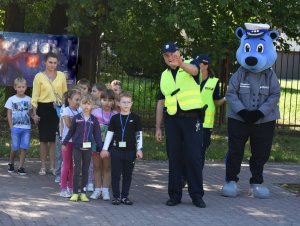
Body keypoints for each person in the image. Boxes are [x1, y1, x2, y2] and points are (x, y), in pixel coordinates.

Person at [155, 42, 206, 208]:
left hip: (191, 119)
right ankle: (174, 195)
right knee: (174, 158)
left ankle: (197, 195)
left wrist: (181, 64)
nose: (170, 57)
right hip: (172, 121)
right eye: (166, 55)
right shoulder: (164, 75)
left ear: (179, 52)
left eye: (172, 53)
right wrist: (158, 127)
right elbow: (160, 102)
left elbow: (196, 72)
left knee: (193, 157)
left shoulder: (191, 65)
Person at [101, 91, 143, 205]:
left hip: (130, 152)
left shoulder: (136, 118)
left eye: (128, 102)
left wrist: (139, 149)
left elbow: (138, 134)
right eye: (123, 102)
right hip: (116, 151)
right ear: (119, 103)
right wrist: (105, 149)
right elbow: (109, 134)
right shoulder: (115, 118)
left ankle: (124, 197)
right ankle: (116, 197)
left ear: (131, 103)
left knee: (127, 175)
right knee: (115, 174)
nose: (126, 104)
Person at [31, 52, 67, 176]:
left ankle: (53, 166)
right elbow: (35, 97)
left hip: (57, 109)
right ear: (45, 62)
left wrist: (64, 109)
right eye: (50, 62)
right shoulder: (39, 77)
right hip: (43, 108)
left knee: (54, 140)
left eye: (55, 63)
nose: (52, 65)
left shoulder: (61, 75)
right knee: (43, 139)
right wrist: (34, 114)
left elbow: (65, 94)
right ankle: (42, 167)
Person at [62, 94, 102, 202]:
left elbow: (97, 134)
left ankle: (83, 192)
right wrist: (65, 142)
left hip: (88, 149)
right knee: (76, 169)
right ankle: (75, 192)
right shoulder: (77, 118)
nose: (86, 106)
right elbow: (71, 132)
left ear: (92, 105)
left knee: (85, 170)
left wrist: (100, 146)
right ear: (80, 104)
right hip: (77, 147)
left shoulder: (94, 120)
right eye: (84, 103)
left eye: (88, 104)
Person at [195, 54, 226, 168]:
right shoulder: (192, 78)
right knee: (188, 150)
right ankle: (185, 177)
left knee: (201, 151)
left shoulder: (214, 82)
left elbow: (216, 102)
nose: (196, 65)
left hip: (206, 124)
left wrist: (226, 97)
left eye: (199, 63)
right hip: (191, 120)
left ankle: (195, 178)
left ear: (206, 65)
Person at [90, 89, 118, 200]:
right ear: (100, 100)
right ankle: (97, 190)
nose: (107, 102)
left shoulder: (115, 115)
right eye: (104, 100)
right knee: (97, 167)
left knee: (106, 168)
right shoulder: (94, 112)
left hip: (109, 145)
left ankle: (105, 190)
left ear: (113, 102)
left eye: (110, 100)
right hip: (96, 143)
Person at [6, 77, 32, 175]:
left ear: (26, 87)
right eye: (19, 87)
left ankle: (21, 167)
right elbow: (9, 113)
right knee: (15, 147)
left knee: (24, 147)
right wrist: (11, 126)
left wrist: (34, 116)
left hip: (26, 128)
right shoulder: (11, 99)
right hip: (15, 127)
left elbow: (30, 113)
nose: (21, 89)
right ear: (15, 87)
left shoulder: (29, 99)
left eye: (23, 87)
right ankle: (11, 163)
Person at [59, 89, 82, 198]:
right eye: (76, 99)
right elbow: (69, 125)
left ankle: (71, 187)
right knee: (66, 165)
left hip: (77, 142)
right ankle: (63, 188)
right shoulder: (66, 110)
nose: (78, 102)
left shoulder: (80, 110)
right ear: (69, 100)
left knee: (74, 166)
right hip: (67, 142)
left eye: (80, 100)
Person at [54, 92, 68, 183]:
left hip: (69, 137)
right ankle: (58, 174)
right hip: (59, 135)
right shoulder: (62, 108)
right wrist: (56, 107)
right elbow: (59, 115)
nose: (63, 101)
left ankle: (66, 175)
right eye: (63, 99)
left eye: (65, 99)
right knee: (59, 156)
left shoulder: (74, 109)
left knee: (67, 158)